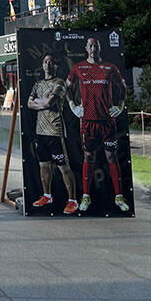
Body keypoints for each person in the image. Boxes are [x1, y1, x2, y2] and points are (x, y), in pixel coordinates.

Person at [66, 37, 130, 213]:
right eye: (90, 45)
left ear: (100, 47)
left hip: (108, 121)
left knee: (112, 157)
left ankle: (119, 196)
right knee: (89, 157)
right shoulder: (79, 67)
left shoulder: (110, 67)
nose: (93, 47)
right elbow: (68, 87)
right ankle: (86, 196)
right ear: (86, 48)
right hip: (88, 121)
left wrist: (120, 105)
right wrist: (72, 105)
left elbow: (123, 85)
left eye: (96, 44)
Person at [27, 53, 77, 215]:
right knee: (44, 165)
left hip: (55, 131)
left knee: (63, 167)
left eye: (51, 62)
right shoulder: (38, 84)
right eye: (45, 62)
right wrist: (43, 103)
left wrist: (40, 103)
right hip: (40, 131)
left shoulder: (60, 83)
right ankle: (47, 195)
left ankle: (72, 200)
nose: (48, 65)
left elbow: (49, 102)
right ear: (42, 65)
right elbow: (29, 104)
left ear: (56, 66)